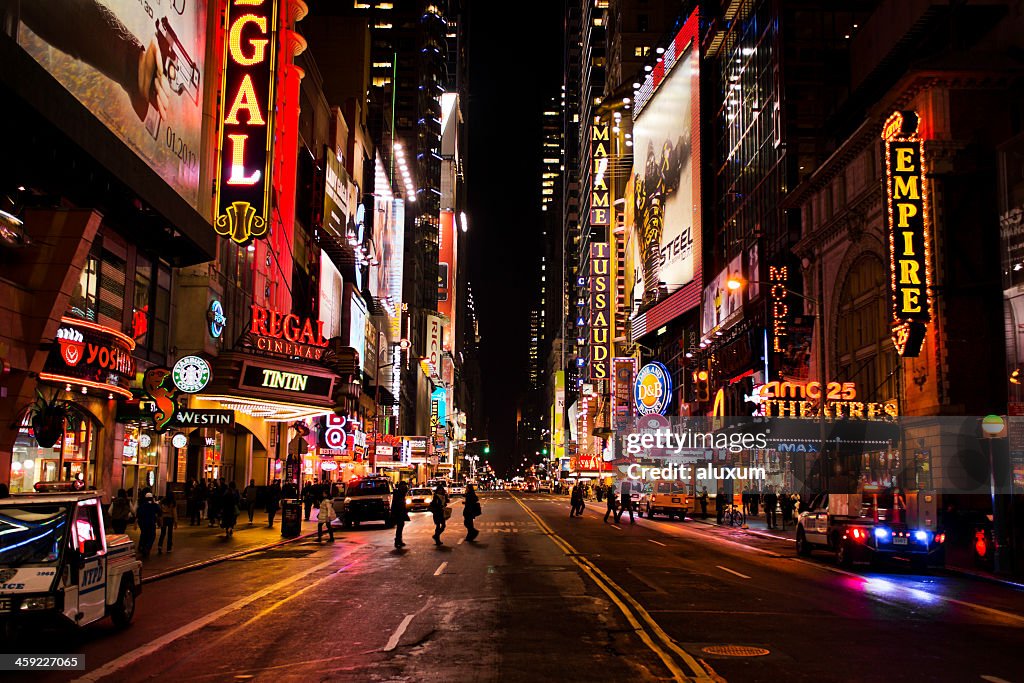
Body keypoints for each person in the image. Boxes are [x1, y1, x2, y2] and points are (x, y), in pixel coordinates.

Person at [136, 492, 161, 559]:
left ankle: (142, 547)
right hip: (151, 523)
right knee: (152, 536)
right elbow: (159, 512)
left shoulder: (142, 505)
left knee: (144, 535)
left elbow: (138, 514)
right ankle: (147, 548)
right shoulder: (154, 505)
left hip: (143, 523)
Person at [392, 480, 411, 548]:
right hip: (398, 512)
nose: (405, 487)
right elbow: (397, 504)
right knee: (400, 526)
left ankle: (399, 540)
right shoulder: (398, 493)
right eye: (403, 485)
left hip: (400, 512)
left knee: (400, 526)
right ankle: (397, 540)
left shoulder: (400, 493)